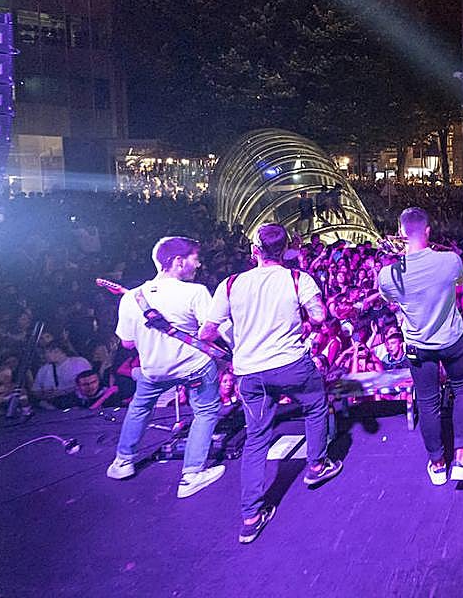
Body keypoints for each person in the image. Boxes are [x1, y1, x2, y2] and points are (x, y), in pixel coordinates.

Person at [202, 223, 343, 544]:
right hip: (292, 364)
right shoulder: (298, 279)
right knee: (315, 406)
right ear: (287, 249)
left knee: (256, 439)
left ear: (254, 251)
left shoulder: (231, 284)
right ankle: (317, 466)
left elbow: (207, 333)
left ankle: (251, 516)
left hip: (251, 373)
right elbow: (320, 317)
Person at [105, 237, 224, 498]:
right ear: (178, 262)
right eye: (195, 258)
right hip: (195, 367)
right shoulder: (196, 292)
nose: (199, 263)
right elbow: (210, 334)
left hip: (154, 369)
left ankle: (123, 462)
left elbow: (126, 343)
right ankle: (192, 474)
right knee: (205, 412)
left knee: (140, 407)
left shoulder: (132, 298)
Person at [377, 207, 463, 486]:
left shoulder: (389, 274)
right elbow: (460, 283)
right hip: (451, 340)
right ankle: (462, 458)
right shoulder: (449, 261)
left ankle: (437, 464)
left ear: (400, 233)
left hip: (418, 346)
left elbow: (388, 298)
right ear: (428, 231)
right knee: (462, 390)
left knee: (427, 400)